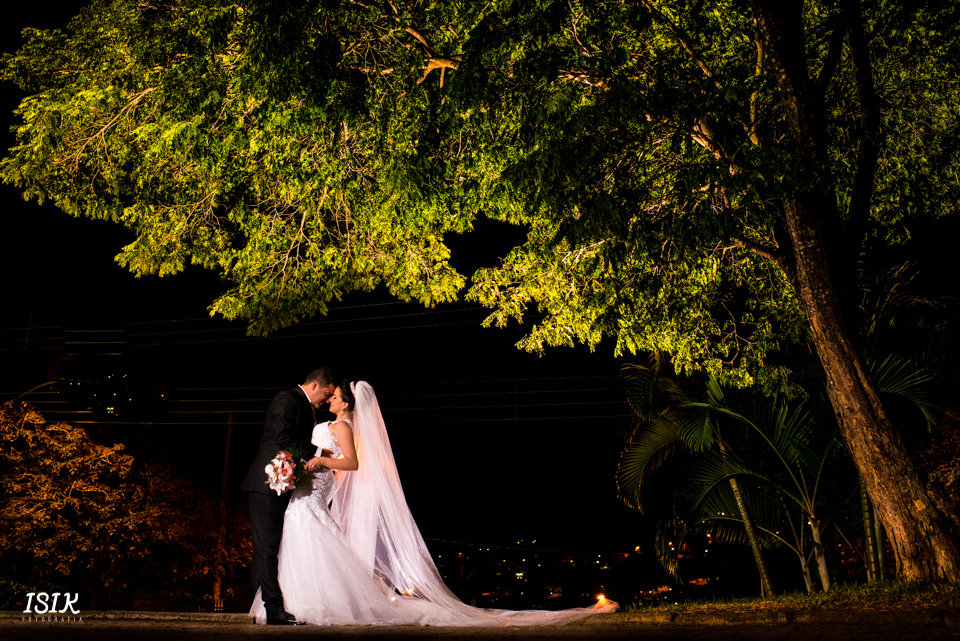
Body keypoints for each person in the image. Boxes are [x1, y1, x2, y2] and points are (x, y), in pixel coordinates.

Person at [250, 380, 617, 626]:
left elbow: (351, 462)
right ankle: (292, 600)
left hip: (317, 482)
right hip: (310, 483)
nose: (328, 399)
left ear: (346, 401)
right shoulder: (330, 423)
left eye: (334, 396)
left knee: (311, 537)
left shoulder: (343, 426)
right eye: (327, 395)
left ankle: (310, 602)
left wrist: (321, 462)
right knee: (303, 539)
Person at [241, 367, 336, 626]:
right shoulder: (288, 398)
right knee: (267, 547)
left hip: (283, 483)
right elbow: (283, 436)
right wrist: (319, 453)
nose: (327, 400)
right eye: (327, 394)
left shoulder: (306, 406)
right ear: (315, 385)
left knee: (269, 548)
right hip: (267, 483)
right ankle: (273, 610)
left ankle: (263, 609)